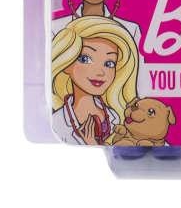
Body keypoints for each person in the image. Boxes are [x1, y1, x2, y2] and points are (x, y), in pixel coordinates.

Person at [50, 17, 139, 146]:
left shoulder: (116, 117)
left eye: (109, 63)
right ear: (67, 63)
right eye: (85, 59)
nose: (100, 72)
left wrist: (92, 142)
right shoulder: (57, 123)